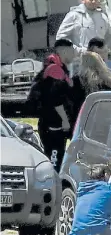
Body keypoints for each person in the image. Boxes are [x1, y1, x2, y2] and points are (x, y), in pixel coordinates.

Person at [56, 0, 111, 75]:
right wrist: (78, 51)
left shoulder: (102, 17)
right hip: (81, 62)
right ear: (83, 0)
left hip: (100, 62)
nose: (93, 1)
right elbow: (61, 39)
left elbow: (110, 37)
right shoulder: (74, 16)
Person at [35, 39, 76, 172]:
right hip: (53, 123)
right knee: (55, 158)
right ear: (63, 51)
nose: (74, 54)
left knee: (58, 155)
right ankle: (54, 184)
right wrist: (64, 119)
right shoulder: (55, 70)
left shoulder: (59, 68)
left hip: (55, 122)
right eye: (72, 51)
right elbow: (55, 99)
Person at [72, 51, 111, 121]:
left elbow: (74, 100)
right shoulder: (108, 80)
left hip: (85, 118)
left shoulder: (78, 80)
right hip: (107, 116)